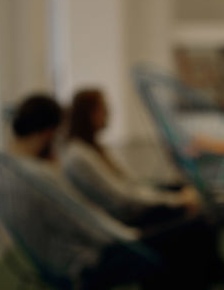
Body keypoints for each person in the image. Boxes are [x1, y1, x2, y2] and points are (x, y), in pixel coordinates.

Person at [8, 93, 217, 290]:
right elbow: (87, 222)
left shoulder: (17, 168)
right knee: (190, 228)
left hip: (88, 247)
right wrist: (131, 236)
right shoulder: (44, 176)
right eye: (103, 110)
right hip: (89, 261)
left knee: (179, 225)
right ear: (49, 133)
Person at [60, 87, 201, 226]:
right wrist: (176, 200)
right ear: (89, 114)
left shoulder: (93, 149)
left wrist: (174, 196)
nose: (109, 113)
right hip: (128, 220)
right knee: (199, 218)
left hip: (133, 209)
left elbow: (130, 187)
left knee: (181, 189)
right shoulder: (80, 156)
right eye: (103, 108)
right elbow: (122, 197)